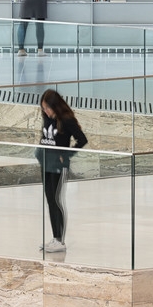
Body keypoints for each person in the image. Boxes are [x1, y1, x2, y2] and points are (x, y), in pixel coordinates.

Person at [37, 88, 88, 253]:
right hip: (46, 162)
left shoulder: (66, 120)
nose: (46, 111)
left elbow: (82, 139)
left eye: (48, 108)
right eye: (43, 108)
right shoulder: (47, 118)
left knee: (56, 200)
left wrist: (66, 155)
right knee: (49, 200)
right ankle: (54, 238)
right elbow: (46, 138)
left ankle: (60, 240)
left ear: (55, 106)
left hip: (58, 166)